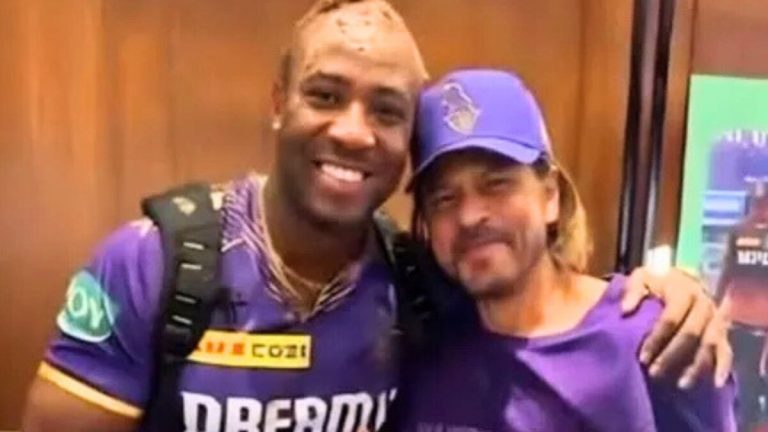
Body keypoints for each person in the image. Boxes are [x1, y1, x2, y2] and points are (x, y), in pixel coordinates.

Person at [22, 1, 729, 431]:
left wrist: (676, 290)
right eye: (326, 95)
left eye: (387, 111)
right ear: (279, 102)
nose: (354, 132)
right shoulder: (156, 264)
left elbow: (548, 307)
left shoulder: (421, 288)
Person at [396, 68, 737, 431]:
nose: (469, 216)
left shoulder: (658, 337)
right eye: (444, 198)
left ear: (550, 195)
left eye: (496, 184)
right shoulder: (424, 345)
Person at [716, 180, 768, 431]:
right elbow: (727, 275)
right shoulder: (738, 232)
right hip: (743, 325)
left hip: (746, 324)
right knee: (746, 393)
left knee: (745, 391)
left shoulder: (738, 231)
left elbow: (726, 276)